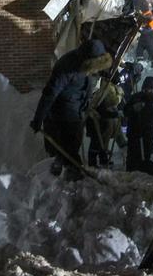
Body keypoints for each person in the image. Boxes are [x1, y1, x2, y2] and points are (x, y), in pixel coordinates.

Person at [30, 39, 112, 177]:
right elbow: (50, 93)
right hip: (62, 115)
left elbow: (84, 86)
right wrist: (39, 118)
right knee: (67, 151)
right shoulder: (66, 68)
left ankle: (72, 174)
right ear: (88, 60)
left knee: (73, 146)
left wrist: (87, 106)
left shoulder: (85, 64)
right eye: (96, 67)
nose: (96, 70)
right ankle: (68, 178)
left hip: (77, 111)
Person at [124, 76, 153, 175]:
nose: (149, 91)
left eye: (151, 89)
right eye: (147, 89)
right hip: (135, 132)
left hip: (148, 132)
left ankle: (144, 175)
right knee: (133, 155)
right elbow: (125, 111)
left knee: (146, 155)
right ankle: (130, 174)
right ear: (143, 88)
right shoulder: (136, 97)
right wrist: (133, 108)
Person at [87, 79, 124, 168]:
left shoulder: (112, 92)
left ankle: (103, 160)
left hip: (102, 123)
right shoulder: (101, 96)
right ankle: (92, 163)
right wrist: (114, 114)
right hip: (94, 122)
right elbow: (101, 111)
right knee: (96, 143)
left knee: (103, 141)